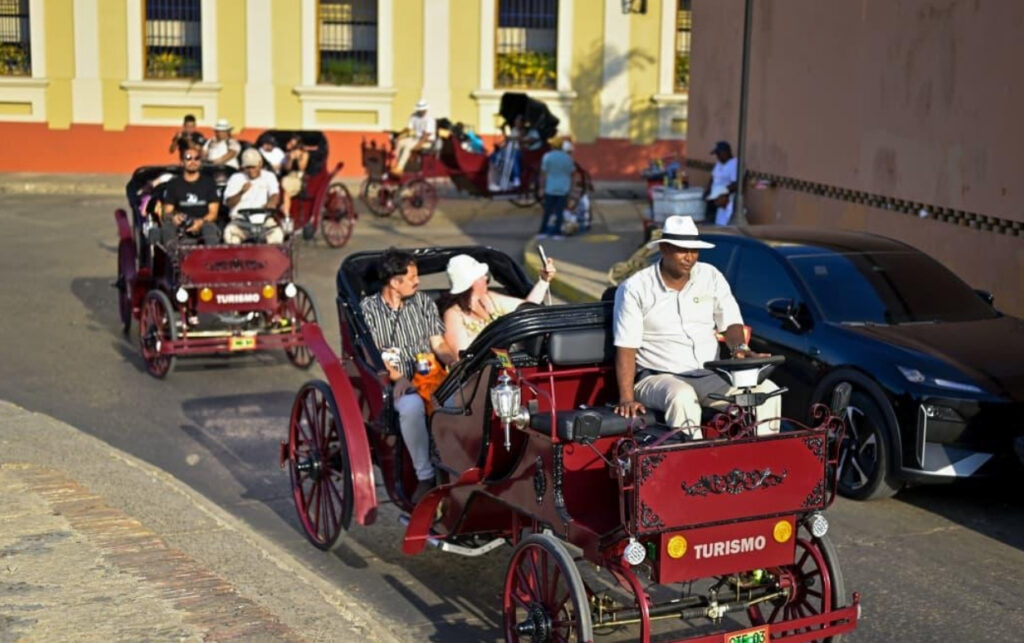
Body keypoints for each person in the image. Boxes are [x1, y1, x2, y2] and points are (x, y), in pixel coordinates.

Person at [612, 215, 780, 438]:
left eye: (694, 250)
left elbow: (730, 321)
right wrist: (626, 399)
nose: (689, 257)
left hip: (710, 375)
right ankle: (693, 467)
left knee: (768, 392)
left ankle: (766, 460)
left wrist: (740, 349)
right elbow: (626, 347)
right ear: (664, 249)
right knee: (682, 396)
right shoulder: (635, 288)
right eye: (682, 250)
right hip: (658, 378)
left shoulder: (710, 275)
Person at [360, 249, 458, 502]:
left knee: (460, 400)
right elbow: (373, 355)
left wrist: (454, 362)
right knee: (412, 406)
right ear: (394, 282)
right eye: (412, 277)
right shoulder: (368, 309)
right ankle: (425, 476)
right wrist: (398, 378)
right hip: (395, 382)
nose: (418, 281)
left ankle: (456, 467)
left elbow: (438, 344)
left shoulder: (423, 302)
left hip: (430, 376)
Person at [441, 254, 556, 354]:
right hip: (478, 373)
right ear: (472, 283)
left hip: (505, 365)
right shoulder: (453, 314)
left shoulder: (490, 298)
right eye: (481, 276)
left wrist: (543, 281)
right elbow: (461, 355)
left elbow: (524, 309)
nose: (486, 277)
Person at [159, 148, 221, 247]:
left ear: (200, 162)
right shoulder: (174, 184)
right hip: (181, 224)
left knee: (210, 228)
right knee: (167, 228)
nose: (193, 161)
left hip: (203, 223)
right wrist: (174, 217)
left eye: (196, 158)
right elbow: (167, 213)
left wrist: (200, 222)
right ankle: (174, 258)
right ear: (182, 162)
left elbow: (213, 214)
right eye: (188, 158)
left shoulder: (209, 183)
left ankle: (211, 258)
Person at [222, 148, 283, 244]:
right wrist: (241, 192)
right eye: (248, 167)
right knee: (229, 234)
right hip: (240, 221)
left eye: (253, 167)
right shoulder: (236, 178)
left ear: (260, 164)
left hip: (263, 221)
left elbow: (274, 194)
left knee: (277, 235)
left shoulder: (269, 176)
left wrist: (271, 203)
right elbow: (228, 202)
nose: (251, 170)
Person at [536, 139, 575, 240]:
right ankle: (557, 232)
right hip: (563, 188)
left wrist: (541, 187)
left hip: (550, 188)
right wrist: (571, 189)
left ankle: (543, 231)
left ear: (552, 146)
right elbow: (572, 174)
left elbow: (543, 174)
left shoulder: (547, 157)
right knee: (559, 211)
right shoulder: (568, 158)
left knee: (547, 211)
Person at [394, 99, 436, 173]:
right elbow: (409, 128)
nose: (421, 111)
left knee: (408, 147)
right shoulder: (414, 116)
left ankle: (400, 168)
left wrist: (419, 145)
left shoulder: (429, 119)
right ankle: (395, 163)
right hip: (415, 138)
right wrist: (399, 136)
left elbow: (427, 135)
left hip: (427, 141)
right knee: (400, 143)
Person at [704, 140, 737, 226]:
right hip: (715, 198)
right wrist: (708, 190)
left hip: (724, 199)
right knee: (711, 221)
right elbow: (712, 177)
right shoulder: (719, 163)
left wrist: (721, 193)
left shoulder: (734, 164)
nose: (717, 157)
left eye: (719, 154)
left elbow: (736, 184)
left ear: (726, 152)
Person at [279, 134, 310, 216]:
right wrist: (290, 159)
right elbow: (287, 169)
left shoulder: (304, 154)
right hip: (289, 176)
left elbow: (302, 167)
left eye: (294, 145)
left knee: (286, 189)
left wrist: (298, 157)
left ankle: (286, 214)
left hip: (299, 178)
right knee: (283, 184)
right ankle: (284, 208)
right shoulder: (289, 154)